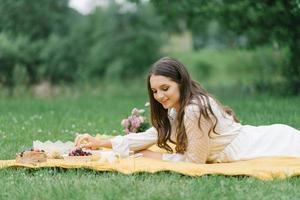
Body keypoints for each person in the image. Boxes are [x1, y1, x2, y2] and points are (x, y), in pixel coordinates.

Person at [74, 57, 300, 164]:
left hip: (273, 142)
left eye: (165, 88)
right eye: (154, 91)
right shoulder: (176, 108)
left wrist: (158, 156)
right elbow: (152, 135)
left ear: (181, 82)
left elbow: (195, 162)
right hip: (263, 138)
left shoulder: (193, 110)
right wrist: (99, 142)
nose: (159, 96)